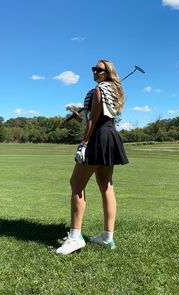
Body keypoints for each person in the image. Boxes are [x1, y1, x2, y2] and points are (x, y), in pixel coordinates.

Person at [56, 59, 128, 255]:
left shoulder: (98, 90)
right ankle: (107, 237)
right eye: (94, 69)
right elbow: (98, 118)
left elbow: (94, 121)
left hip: (98, 137)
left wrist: (83, 144)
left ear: (108, 72)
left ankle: (76, 237)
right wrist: (83, 119)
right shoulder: (114, 90)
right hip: (111, 135)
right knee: (106, 185)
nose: (95, 72)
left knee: (76, 183)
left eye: (100, 70)